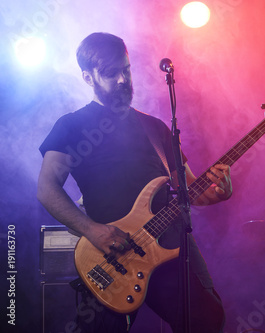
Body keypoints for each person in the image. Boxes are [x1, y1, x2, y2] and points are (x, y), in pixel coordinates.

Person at [37, 32, 230, 333]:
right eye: (111, 74)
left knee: (207, 319)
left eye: (126, 70)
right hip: (112, 256)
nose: (123, 80)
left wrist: (220, 191)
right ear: (88, 77)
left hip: (169, 249)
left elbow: (193, 191)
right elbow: (47, 189)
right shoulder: (71, 126)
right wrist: (93, 231)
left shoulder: (155, 128)